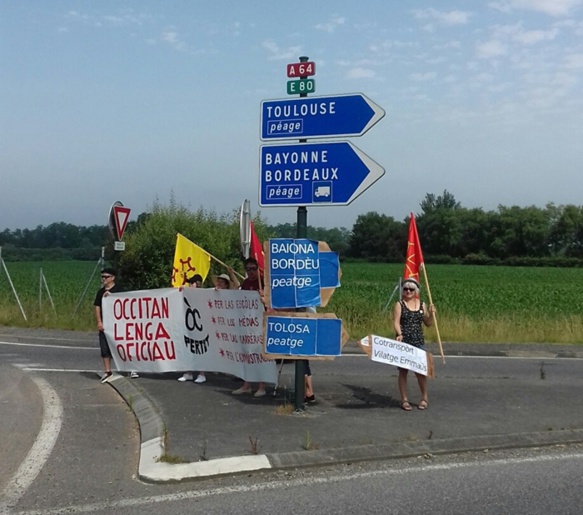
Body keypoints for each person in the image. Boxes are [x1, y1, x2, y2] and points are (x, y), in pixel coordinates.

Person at [393, 277, 435, 411]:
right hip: (404, 342)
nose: (408, 291)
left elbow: (428, 323)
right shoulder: (399, 304)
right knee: (403, 371)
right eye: (405, 289)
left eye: (411, 289)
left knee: (420, 372)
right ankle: (404, 399)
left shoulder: (422, 305)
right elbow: (396, 321)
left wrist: (432, 314)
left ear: (415, 291)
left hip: (418, 341)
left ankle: (424, 398)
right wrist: (399, 334)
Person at [232, 257, 267, 398]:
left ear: (258, 269)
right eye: (248, 269)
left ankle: (262, 386)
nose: (251, 272)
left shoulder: (265, 282)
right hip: (248, 324)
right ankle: (247, 384)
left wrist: (265, 297)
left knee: (260, 356)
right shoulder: (246, 283)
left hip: (261, 324)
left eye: (253, 268)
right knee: (247, 355)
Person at [94, 267, 125, 383]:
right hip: (105, 323)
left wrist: (112, 296)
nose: (103, 279)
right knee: (104, 348)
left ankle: (129, 368)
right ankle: (107, 371)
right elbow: (97, 306)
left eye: (106, 277)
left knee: (122, 347)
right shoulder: (100, 292)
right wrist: (99, 321)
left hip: (118, 324)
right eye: (102, 277)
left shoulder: (120, 290)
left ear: (112, 278)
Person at [178, 274, 206, 383]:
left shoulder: (204, 295)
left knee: (200, 349)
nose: (189, 285)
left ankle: (202, 373)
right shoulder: (187, 294)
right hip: (189, 325)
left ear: (197, 284)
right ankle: (188, 372)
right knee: (188, 349)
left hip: (201, 326)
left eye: (192, 283)